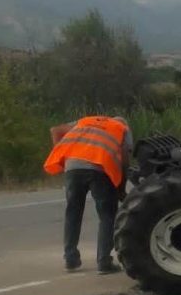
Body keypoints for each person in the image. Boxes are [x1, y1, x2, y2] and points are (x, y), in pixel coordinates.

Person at [43, 115, 132, 273]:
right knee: (107, 215)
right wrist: (121, 188)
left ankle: (70, 259)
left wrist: (64, 160)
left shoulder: (86, 122)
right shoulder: (122, 129)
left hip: (73, 168)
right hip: (100, 169)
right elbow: (124, 158)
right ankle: (104, 262)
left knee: (73, 213)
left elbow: (55, 130)